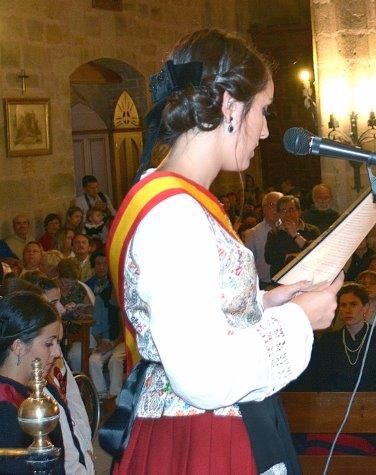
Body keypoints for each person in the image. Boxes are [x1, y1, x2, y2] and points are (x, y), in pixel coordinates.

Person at [110, 29, 341, 473]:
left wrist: (264, 302)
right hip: (200, 439)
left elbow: (187, 313)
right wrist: (299, 319)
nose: (266, 130)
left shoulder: (178, 199)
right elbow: (203, 374)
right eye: (263, 110)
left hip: (199, 428)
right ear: (230, 106)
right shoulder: (174, 214)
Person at [0, 289, 94, 474]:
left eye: (58, 343)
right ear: (18, 346)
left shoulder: (38, 389)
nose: (57, 353)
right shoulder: (6, 410)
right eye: (49, 343)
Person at [289, 283, 376, 456]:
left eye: (353, 304)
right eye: (343, 305)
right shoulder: (329, 341)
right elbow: (317, 378)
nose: (348, 310)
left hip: (368, 413)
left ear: (365, 307)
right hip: (333, 411)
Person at [85, 252, 126, 401]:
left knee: (115, 359)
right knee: (93, 360)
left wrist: (113, 344)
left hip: (124, 341)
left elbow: (125, 331)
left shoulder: (126, 298)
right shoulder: (101, 298)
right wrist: (101, 342)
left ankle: (115, 396)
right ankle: (101, 396)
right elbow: (96, 326)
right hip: (107, 340)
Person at [264, 195, 321, 277]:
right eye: (283, 211)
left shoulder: (313, 230)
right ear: (279, 214)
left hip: (308, 276)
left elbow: (317, 253)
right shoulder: (274, 234)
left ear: (299, 211)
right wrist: (291, 257)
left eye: (291, 210)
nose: (288, 214)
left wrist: (295, 234)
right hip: (283, 279)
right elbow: (269, 258)